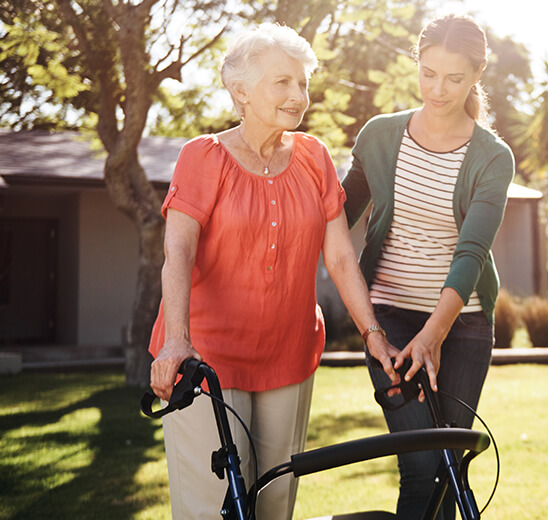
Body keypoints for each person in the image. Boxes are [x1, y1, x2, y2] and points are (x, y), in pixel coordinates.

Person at [148, 23, 393, 520]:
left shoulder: (314, 157)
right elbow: (179, 252)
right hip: (205, 357)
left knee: (275, 502)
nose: (297, 95)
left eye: (302, 83)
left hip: (288, 353)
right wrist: (176, 340)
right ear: (241, 91)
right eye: (282, 82)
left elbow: (341, 256)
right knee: (213, 507)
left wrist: (372, 333)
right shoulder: (203, 157)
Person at [341, 13, 515, 519]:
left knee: (450, 467)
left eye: (455, 78)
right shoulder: (379, 136)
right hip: (389, 320)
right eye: (428, 73)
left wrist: (435, 334)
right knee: (420, 467)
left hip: (462, 326)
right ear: (416, 65)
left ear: (477, 75)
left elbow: (471, 252)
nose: (439, 89)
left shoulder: (491, 157)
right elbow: (333, 217)